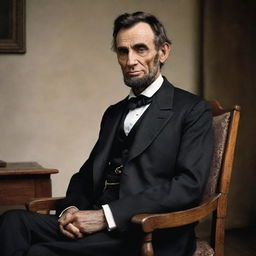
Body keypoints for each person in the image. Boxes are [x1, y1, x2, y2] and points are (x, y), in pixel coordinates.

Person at [0, 11, 213, 256]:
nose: (130, 60)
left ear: (163, 52)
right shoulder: (113, 113)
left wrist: (105, 217)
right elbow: (87, 174)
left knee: (40, 252)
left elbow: (188, 186)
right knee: (13, 222)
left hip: (148, 231)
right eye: (123, 51)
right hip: (97, 224)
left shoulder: (192, 109)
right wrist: (70, 209)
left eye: (140, 49)